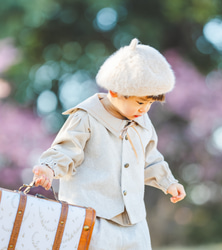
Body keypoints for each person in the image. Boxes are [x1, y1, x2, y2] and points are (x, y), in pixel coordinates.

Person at [32, 38, 186, 250]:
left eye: (150, 103)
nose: (144, 109)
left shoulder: (143, 124)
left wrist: (168, 182)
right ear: (114, 92)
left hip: (133, 220)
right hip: (92, 217)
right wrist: (49, 168)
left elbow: (150, 159)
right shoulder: (86, 117)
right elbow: (66, 149)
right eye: (140, 102)